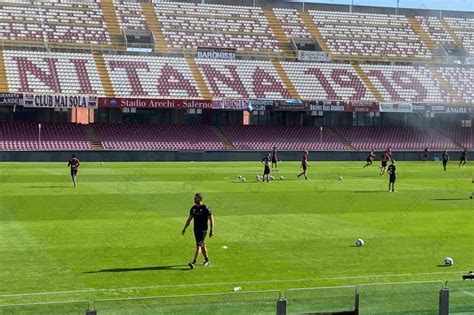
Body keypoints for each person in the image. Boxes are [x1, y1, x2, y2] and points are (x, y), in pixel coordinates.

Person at [182, 193, 214, 269]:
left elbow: (211, 219)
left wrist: (211, 230)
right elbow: (189, 219)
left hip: (203, 230)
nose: (194, 200)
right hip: (196, 230)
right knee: (202, 245)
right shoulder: (193, 208)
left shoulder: (205, 208)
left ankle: (193, 262)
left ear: (200, 199)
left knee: (199, 246)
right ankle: (207, 260)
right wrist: (185, 228)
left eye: (196, 198)